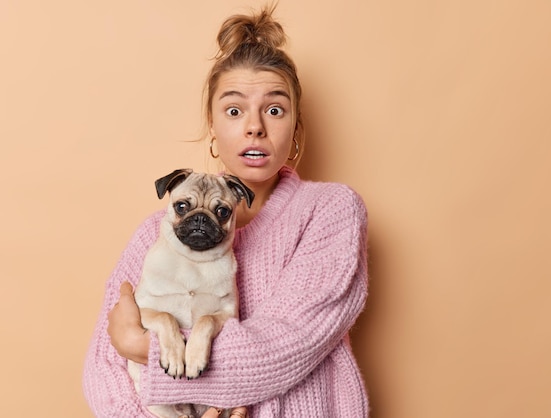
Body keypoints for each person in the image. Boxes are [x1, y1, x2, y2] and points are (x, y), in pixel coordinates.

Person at [83, 5, 369, 418]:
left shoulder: (331, 212)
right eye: (234, 110)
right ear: (212, 127)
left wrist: (144, 348)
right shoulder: (156, 234)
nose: (254, 126)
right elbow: (103, 369)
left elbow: (287, 347)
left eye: (274, 109)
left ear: (296, 129)